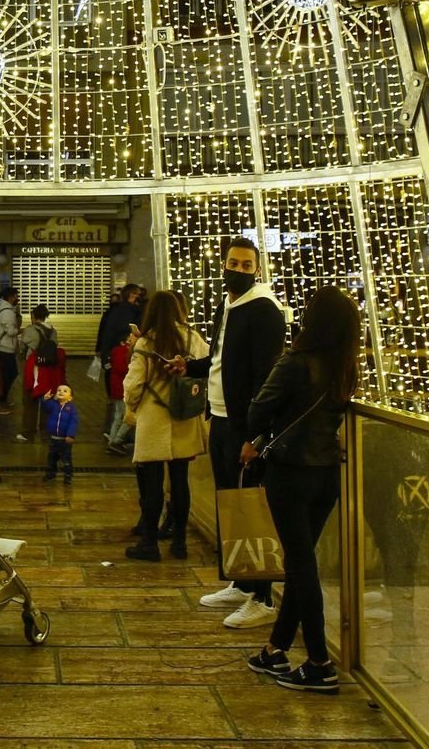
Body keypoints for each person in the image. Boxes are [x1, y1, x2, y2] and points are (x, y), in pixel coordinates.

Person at [243, 287, 361, 694]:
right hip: (327, 474)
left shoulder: (296, 362)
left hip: (290, 472)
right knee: (301, 561)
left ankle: (318, 662)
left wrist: (254, 436)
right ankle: (275, 648)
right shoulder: (344, 366)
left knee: (299, 564)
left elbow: (260, 407)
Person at [179, 236, 287, 628]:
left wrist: (254, 435)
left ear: (257, 269)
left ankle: (263, 597)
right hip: (221, 418)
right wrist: (190, 367)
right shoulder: (229, 303)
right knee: (231, 504)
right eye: (233, 263)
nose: (238, 270)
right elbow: (222, 358)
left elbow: (266, 376)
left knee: (251, 508)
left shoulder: (264, 309)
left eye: (246, 265)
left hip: (244, 425)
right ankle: (242, 581)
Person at [123, 291, 210, 562]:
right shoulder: (192, 338)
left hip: (154, 417)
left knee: (152, 485)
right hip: (183, 417)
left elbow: (133, 385)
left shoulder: (146, 342)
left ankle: (149, 543)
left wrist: (133, 405)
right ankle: (180, 543)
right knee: (180, 481)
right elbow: (207, 367)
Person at [96, 284, 145, 436]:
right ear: (132, 295)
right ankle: (120, 435)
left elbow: (103, 332)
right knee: (126, 399)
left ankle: (110, 430)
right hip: (124, 361)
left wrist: (102, 353)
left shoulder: (113, 312)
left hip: (111, 359)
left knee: (114, 399)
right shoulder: (133, 313)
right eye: (138, 294)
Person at [17, 305, 64, 442]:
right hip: (49, 369)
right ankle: (46, 433)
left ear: (33, 316)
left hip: (34, 369)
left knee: (30, 400)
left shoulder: (30, 330)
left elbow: (22, 347)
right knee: (47, 399)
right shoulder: (53, 331)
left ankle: (28, 432)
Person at [0, 288, 23, 411]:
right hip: (6, 348)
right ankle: (0, 399)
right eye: (16, 296)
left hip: (4, 347)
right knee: (10, 374)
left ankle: (0, 399)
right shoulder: (7, 312)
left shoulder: (3, 309)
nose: (17, 298)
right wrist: (22, 330)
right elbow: (10, 331)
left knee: (6, 374)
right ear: (10, 297)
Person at [41, 384, 79, 483]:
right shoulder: (53, 405)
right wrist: (45, 399)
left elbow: (73, 422)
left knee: (66, 459)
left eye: (65, 391)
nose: (61, 392)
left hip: (64, 441)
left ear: (70, 398)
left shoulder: (71, 409)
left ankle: (68, 475)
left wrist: (70, 435)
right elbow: (45, 407)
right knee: (51, 459)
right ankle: (51, 474)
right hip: (54, 439)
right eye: (59, 390)